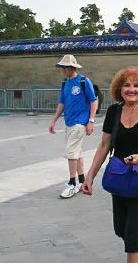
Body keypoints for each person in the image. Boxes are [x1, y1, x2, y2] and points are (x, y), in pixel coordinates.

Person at [81, 67, 138, 263]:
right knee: (121, 229)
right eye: (126, 85)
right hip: (120, 176)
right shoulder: (114, 111)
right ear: (119, 89)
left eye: (136, 86)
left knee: (133, 232)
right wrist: (90, 176)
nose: (131, 90)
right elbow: (104, 145)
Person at [48, 54, 98, 199]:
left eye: (66, 67)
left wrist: (91, 121)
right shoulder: (65, 83)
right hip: (68, 122)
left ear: (73, 67)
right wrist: (54, 120)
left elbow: (93, 101)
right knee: (77, 153)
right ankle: (82, 180)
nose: (63, 70)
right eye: (62, 67)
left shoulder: (83, 81)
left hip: (80, 122)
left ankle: (72, 183)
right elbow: (61, 103)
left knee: (71, 152)